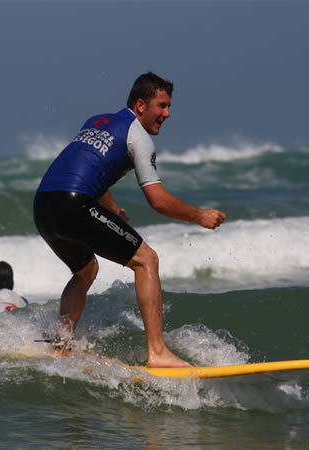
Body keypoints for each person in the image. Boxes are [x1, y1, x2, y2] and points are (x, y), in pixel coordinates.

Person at [33, 72, 226, 368]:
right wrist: (199, 215)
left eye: (168, 106)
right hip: (74, 204)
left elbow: (93, 174)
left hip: (44, 204)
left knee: (86, 270)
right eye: (161, 106)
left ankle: (61, 346)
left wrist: (112, 211)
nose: (167, 113)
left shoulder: (97, 121)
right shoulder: (139, 137)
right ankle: (158, 352)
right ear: (140, 105)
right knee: (146, 260)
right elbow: (158, 201)